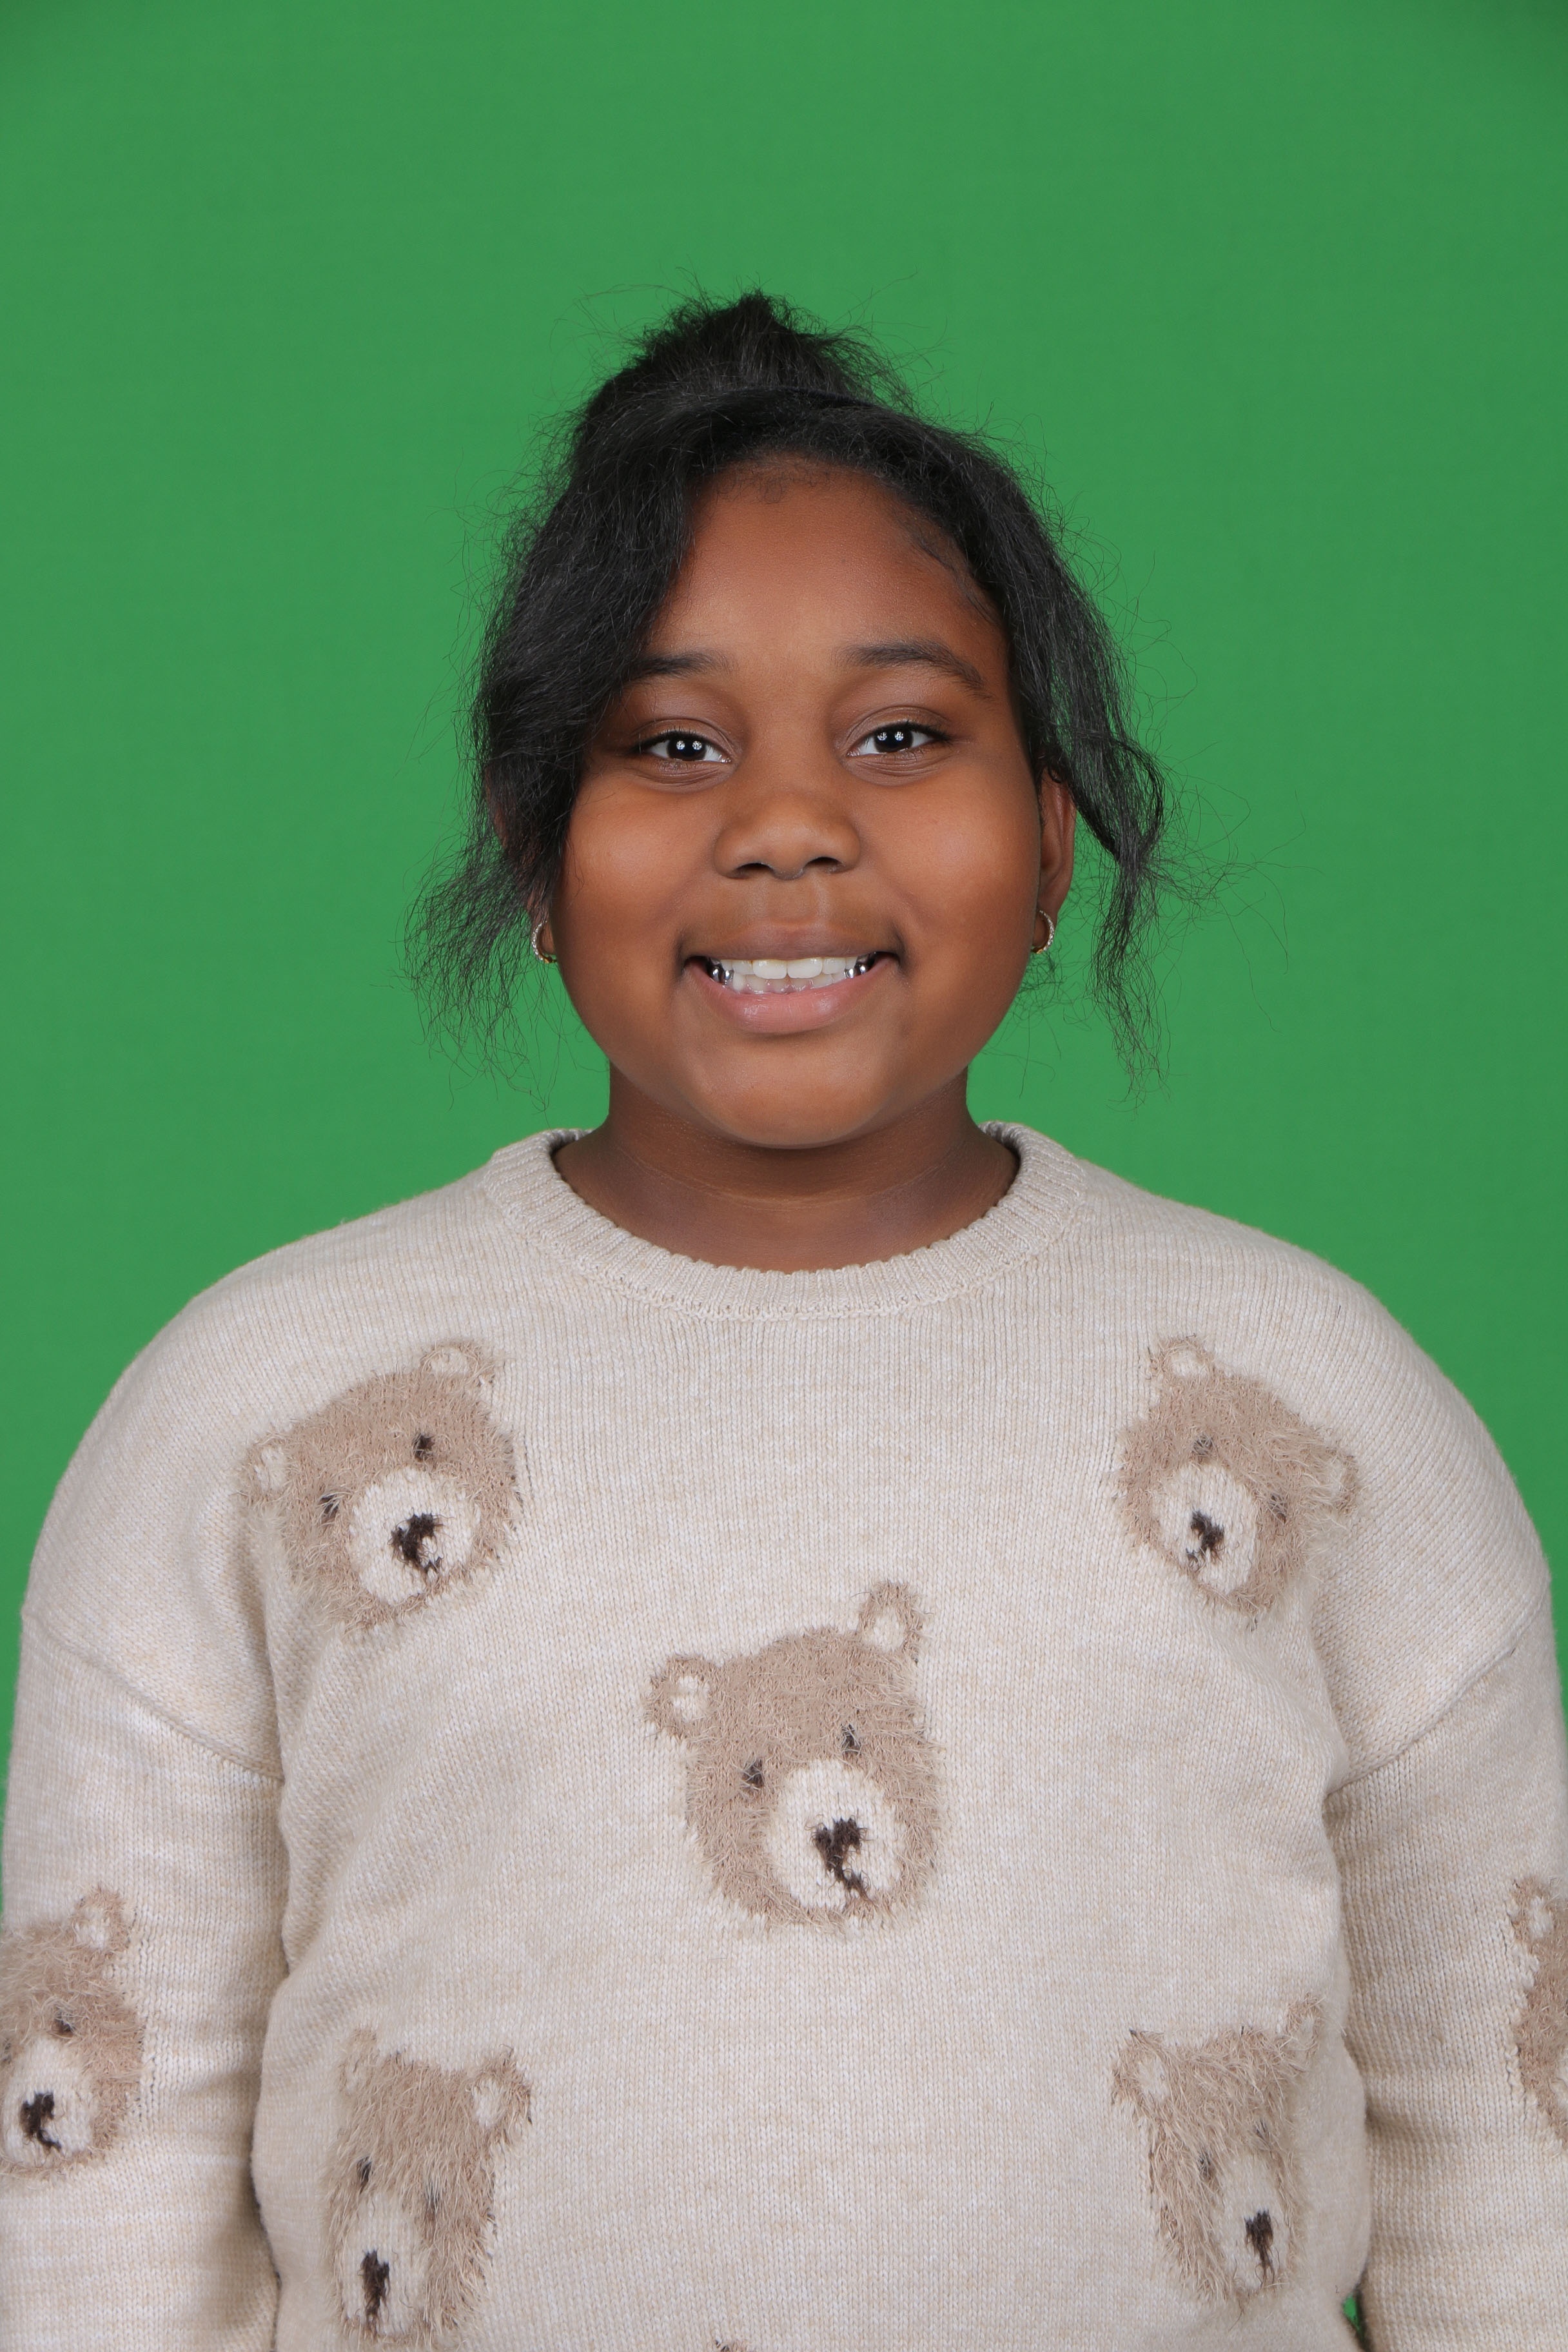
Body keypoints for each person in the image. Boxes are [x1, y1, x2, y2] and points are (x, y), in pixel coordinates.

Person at [1, 291, 1563, 2351]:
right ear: (534, 851)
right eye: (673, 746)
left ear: (1050, 837)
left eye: (903, 735)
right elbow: (92, 2179)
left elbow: (1513, 2125)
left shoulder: (1308, 1407)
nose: (789, 822)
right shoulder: (263, 1414)